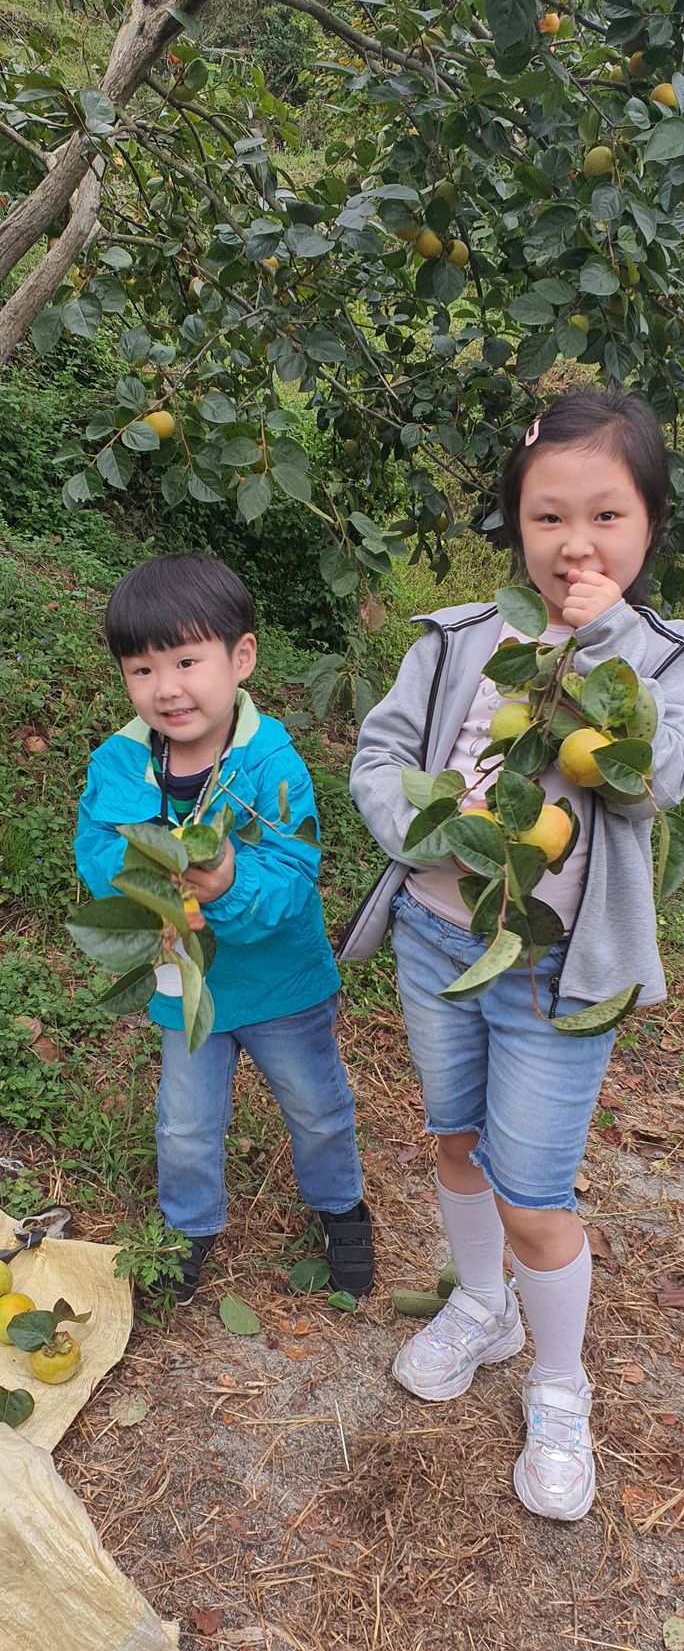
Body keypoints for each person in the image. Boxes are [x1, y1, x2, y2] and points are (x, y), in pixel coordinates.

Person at [343, 387, 684, 1521]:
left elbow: (653, 778)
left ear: (649, 522)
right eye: (547, 515)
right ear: (515, 523)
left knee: (535, 1192)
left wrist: (599, 641)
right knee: (454, 1140)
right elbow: (380, 752)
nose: (574, 542)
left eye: (605, 514)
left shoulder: (662, 655)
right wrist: (417, 825)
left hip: (557, 973)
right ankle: (481, 1307)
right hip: (433, 934)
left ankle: (558, 1381)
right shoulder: (461, 637)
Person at [75, 555, 374, 1305]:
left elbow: (293, 874)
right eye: (141, 669)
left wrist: (230, 879)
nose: (166, 687)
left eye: (186, 660)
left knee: (317, 1106)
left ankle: (342, 1209)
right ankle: (188, 1229)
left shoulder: (270, 765)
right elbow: (99, 845)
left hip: (281, 982)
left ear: (240, 658)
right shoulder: (121, 762)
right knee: (184, 1122)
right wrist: (151, 876)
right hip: (188, 986)